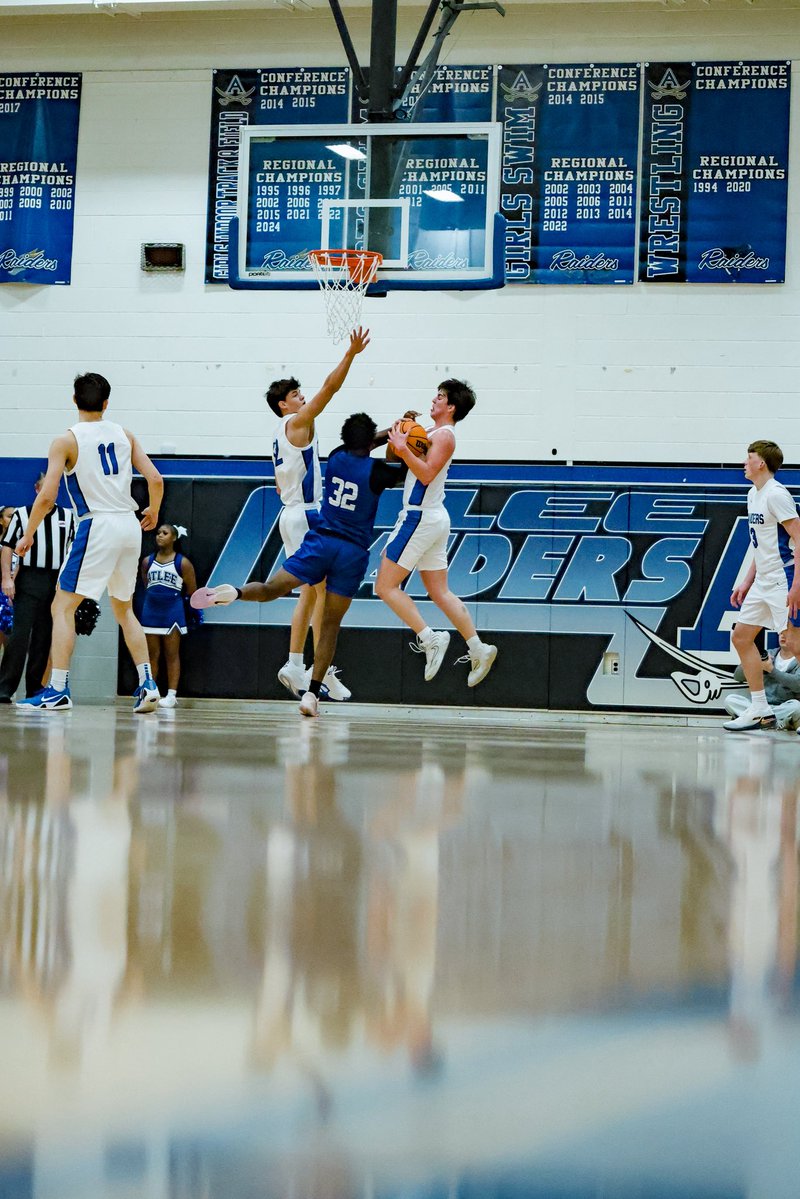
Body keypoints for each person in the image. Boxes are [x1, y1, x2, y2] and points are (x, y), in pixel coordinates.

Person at [204, 412, 406, 717]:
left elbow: (365, 444)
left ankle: (236, 592)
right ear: (369, 442)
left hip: (320, 541)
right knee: (329, 624)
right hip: (351, 553)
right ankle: (312, 694)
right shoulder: (377, 472)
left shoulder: (336, 456)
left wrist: (389, 432)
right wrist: (405, 443)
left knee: (272, 588)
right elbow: (407, 472)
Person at [15, 371, 164, 712]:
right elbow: (155, 478)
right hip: (129, 524)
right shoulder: (125, 434)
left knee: (61, 606)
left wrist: (29, 532)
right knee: (124, 609)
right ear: (106, 403)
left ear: (74, 400)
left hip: (97, 523)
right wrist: (153, 510)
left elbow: (47, 497)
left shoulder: (66, 440)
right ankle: (148, 683)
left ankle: (57, 688)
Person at [267, 327, 370, 702]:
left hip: (292, 514)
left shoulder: (279, 432)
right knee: (323, 596)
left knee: (309, 594)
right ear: (284, 404)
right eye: (296, 395)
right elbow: (330, 388)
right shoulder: (298, 422)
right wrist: (350, 355)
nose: (303, 397)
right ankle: (316, 669)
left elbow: (278, 484)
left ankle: (297, 664)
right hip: (308, 516)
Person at [375, 380, 497, 688]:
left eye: (440, 397)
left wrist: (404, 448)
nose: (434, 399)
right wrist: (402, 433)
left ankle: (430, 638)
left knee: (384, 586)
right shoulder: (430, 432)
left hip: (420, 517)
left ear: (451, 407)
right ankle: (479, 648)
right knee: (439, 592)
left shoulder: (445, 436)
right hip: (431, 518)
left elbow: (427, 473)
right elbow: (396, 457)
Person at [725, 439, 800, 731]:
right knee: (741, 637)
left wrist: (797, 585)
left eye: (749, 458)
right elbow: (761, 544)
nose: (744, 463)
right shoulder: (752, 494)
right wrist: (747, 580)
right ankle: (760, 709)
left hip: (784, 577)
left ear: (762, 463)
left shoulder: (776, 495)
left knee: (794, 643)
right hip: (763, 580)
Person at [0, 477, 75, 703]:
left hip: (55, 580)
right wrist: (7, 578)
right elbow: (7, 547)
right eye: (47, 487)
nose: (52, 491)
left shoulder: (68, 516)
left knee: (44, 637)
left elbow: (72, 550)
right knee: (18, 636)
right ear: (37, 489)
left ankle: (34, 688)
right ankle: (5, 688)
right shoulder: (22, 514)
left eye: (56, 488)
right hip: (28, 577)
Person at [140, 523, 197, 709]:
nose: (159, 536)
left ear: (174, 537)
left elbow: (192, 591)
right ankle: (151, 692)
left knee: (171, 655)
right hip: (151, 612)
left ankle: (171, 695)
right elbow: (146, 584)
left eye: (164, 533)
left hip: (172, 612)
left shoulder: (183, 563)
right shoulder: (147, 561)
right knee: (151, 655)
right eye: (158, 533)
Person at [723, 636, 800, 731]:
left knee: (796, 706)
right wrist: (752, 660)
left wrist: (771, 670)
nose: (783, 636)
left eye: (787, 633)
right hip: (759, 705)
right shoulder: (768, 654)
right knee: (730, 700)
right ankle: (772, 722)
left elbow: (797, 685)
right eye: (781, 633)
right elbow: (738, 676)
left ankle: (758, 721)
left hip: (783, 706)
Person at [0, 507, 16, 655]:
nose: (13, 520)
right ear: (1, 520)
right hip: (2, 595)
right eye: (10, 516)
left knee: (12, 645)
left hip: (19, 594)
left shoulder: (26, 542)